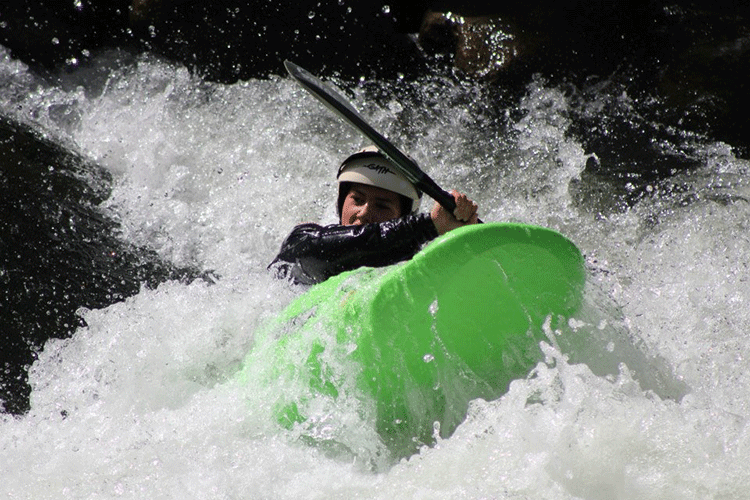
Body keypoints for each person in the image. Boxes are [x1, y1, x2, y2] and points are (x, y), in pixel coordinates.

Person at [268, 146, 479, 285]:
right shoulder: (306, 238)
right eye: (357, 200)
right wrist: (430, 224)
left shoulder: (419, 263)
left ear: (402, 216)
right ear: (341, 203)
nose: (365, 212)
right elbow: (318, 253)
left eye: (382, 205)